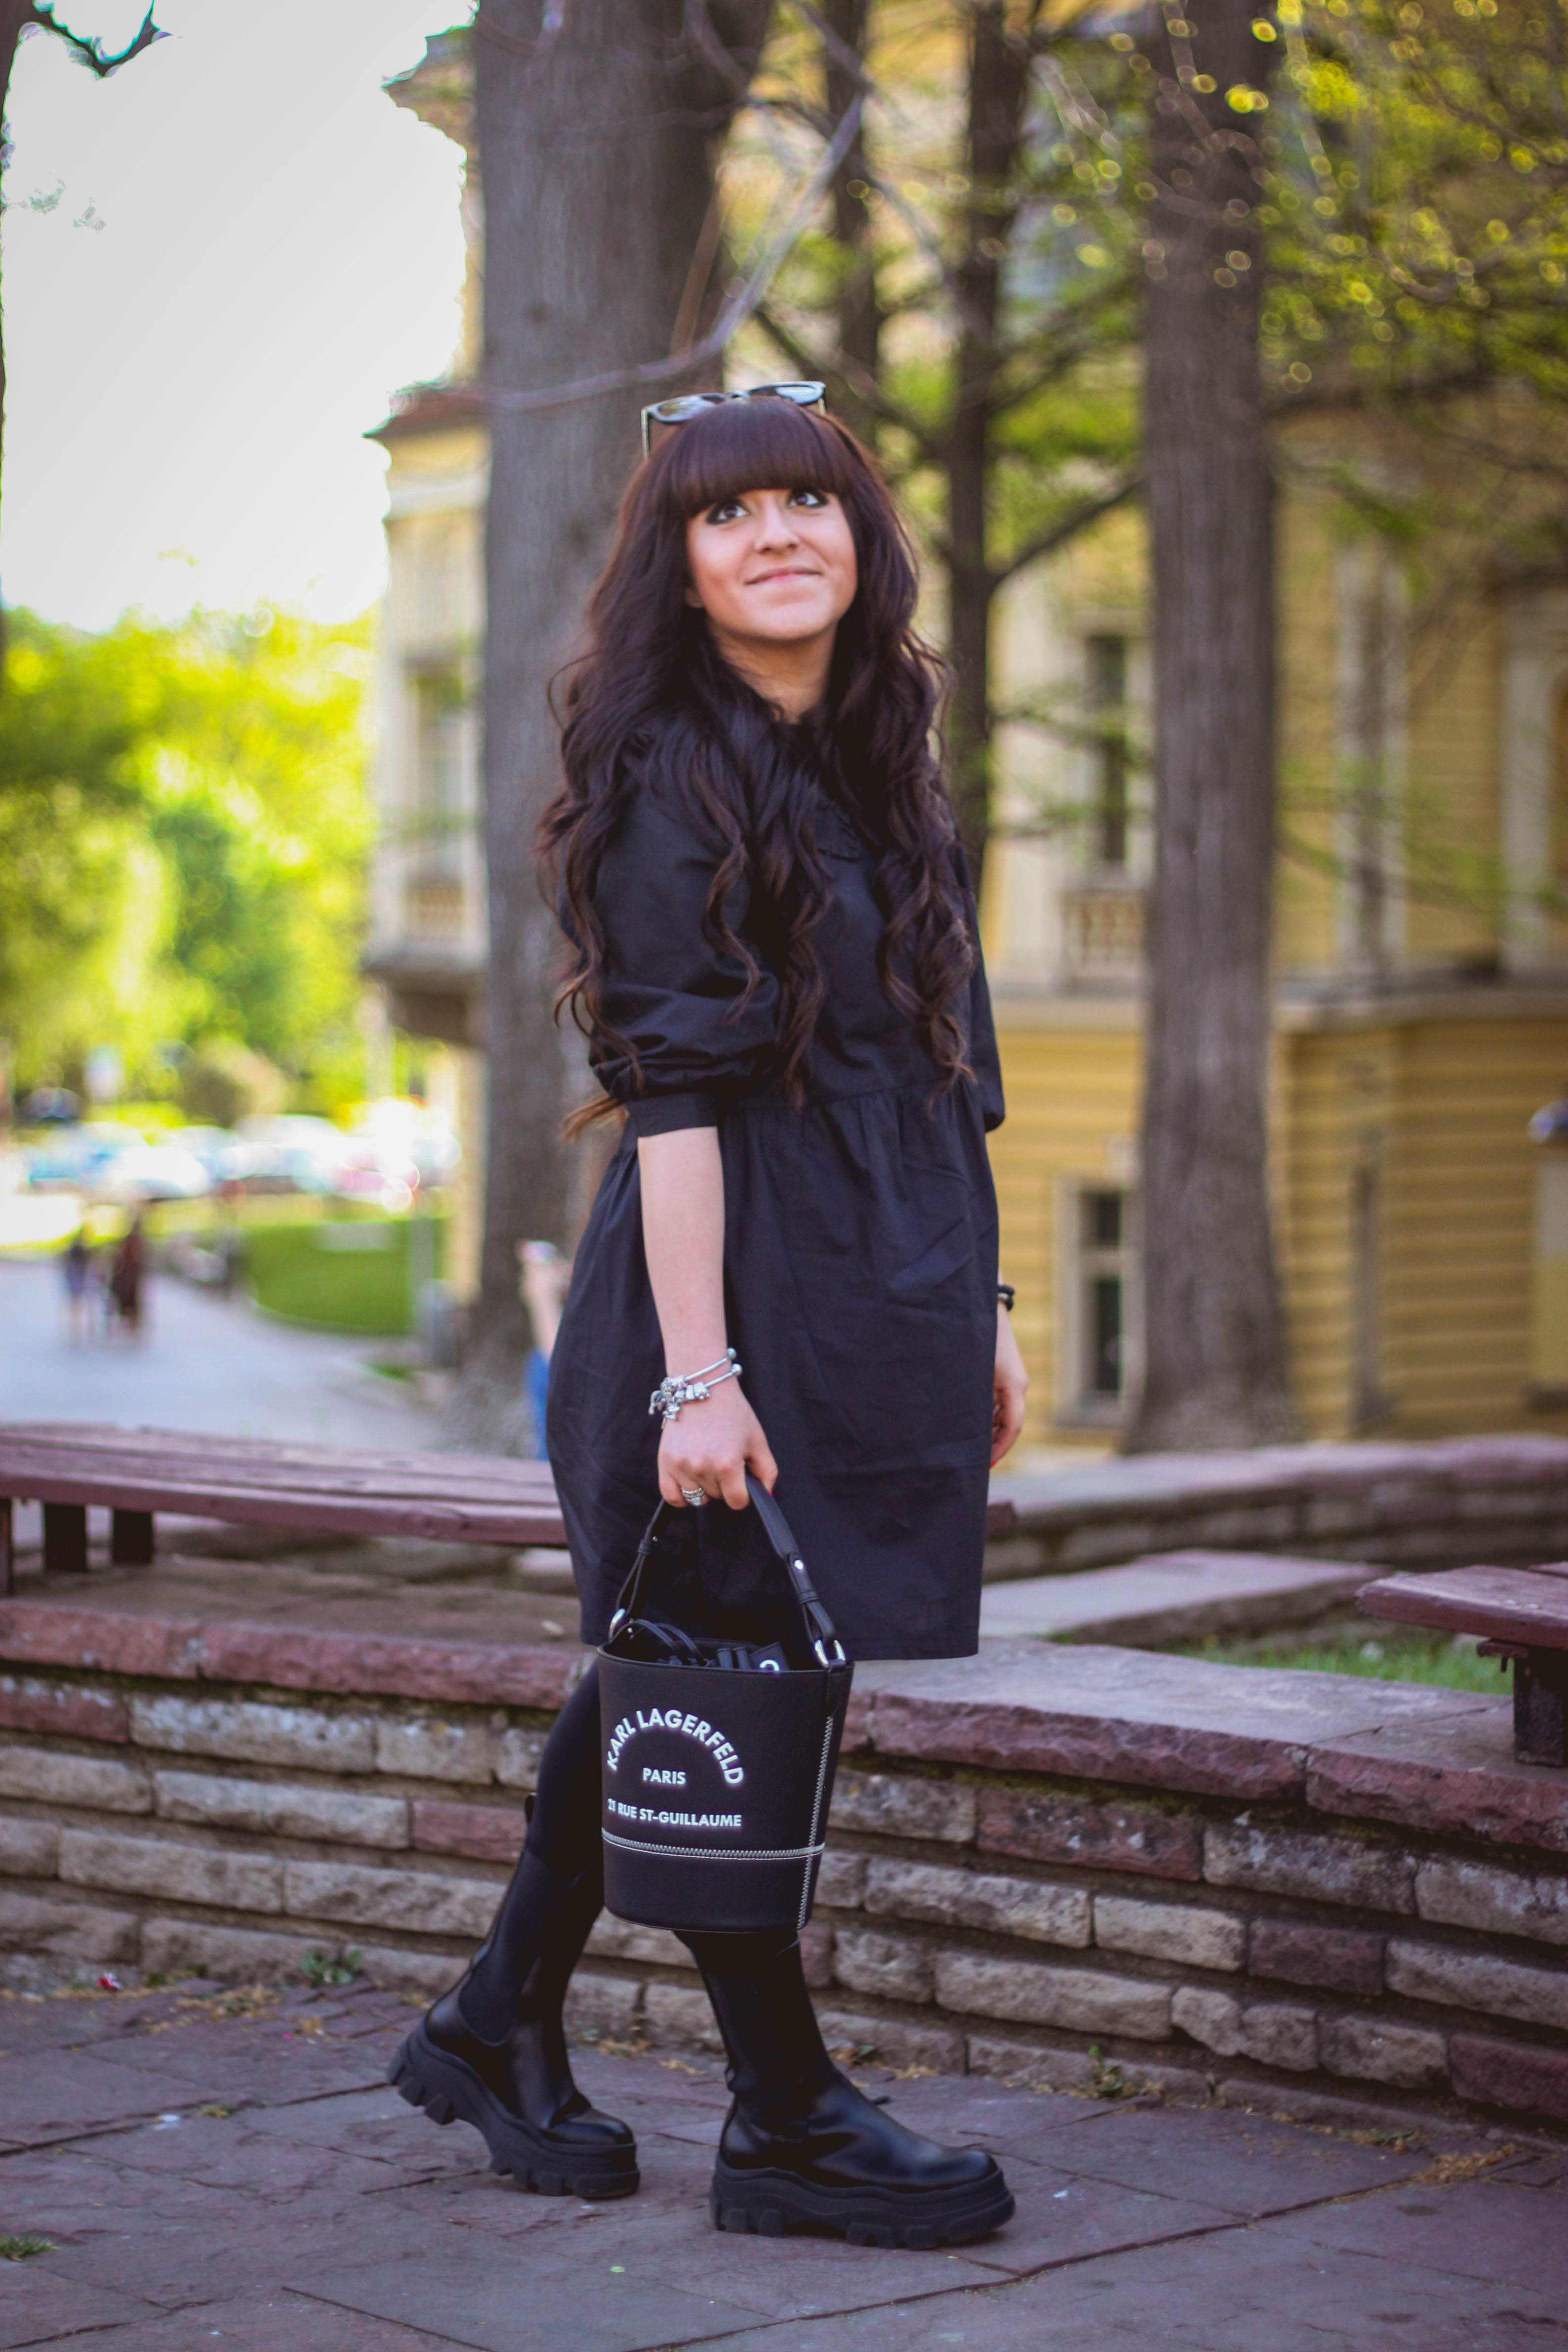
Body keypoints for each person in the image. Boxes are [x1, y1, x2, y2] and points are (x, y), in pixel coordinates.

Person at [392, 389, 1029, 2248]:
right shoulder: (673, 769)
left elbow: (948, 1061)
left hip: (878, 1278)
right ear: (679, 566)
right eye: (728, 514)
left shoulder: (884, 747)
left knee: (685, 1659)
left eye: (805, 502)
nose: (776, 537)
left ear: (859, 534)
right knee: (733, 1674)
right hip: (725, 1289)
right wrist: (698, 1376)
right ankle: (787, 2116)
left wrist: (983, 1302)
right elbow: (674, 1102)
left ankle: (496, 2018)